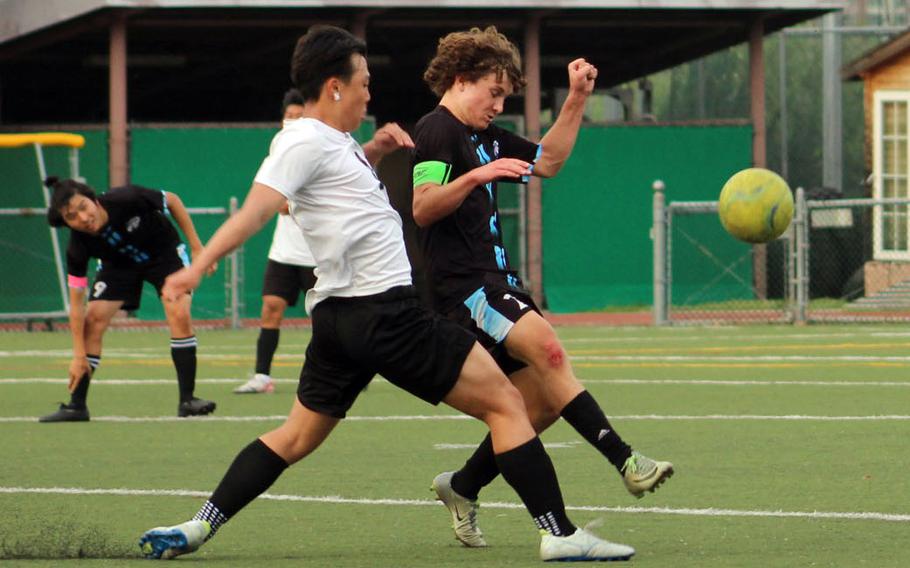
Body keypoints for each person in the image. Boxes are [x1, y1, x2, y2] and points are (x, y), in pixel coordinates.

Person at [139, 25, 635, 562]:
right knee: (508, 403)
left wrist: (372, 152)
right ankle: (559, 533)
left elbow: (337, 202)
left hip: (339, 322)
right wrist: (198, 267)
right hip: (384, 313)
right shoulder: (302, 139)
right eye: (363, 83)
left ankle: (198, 526)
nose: (369, 94)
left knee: (296, 436)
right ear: (334, 86)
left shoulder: (335, 142)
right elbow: (260, 209)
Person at [411, 26, 674, 547]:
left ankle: (463, 485)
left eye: (506, 95)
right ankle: (626, 460)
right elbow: (423, 205)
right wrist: (474, 179)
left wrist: (576, 98)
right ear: (463, 80)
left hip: (499, 283)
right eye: (495, 91)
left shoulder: (483, 136)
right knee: (551, 351)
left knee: (543, 402)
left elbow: (548, 161)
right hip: (468, 290)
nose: (499, 103)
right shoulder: (438, 130)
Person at [38, 177, 217, 422]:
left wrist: (197, 248)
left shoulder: (126, 198)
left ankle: (187, 400)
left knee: (178, 310)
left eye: (83, 207)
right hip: (118, 265)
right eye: (71, 216)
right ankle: (76, 406)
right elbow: (76, 305)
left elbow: (172, 200)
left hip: (163, 255)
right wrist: (78, 356)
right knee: (93, 320)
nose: (82, 218)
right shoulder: (77, 246)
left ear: (93, 199)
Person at [233, 88, 316, 394]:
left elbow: (288, 200)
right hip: (283, 252)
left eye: (298, 116)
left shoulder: (315, 150)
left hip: (316, 254)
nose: (292, 122)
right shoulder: (277, 152)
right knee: (271, 306)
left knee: (327, 318)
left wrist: (289, 202)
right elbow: (268, 197)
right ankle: (262, 375)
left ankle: (347, 370)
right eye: (288, 117)